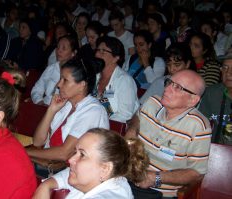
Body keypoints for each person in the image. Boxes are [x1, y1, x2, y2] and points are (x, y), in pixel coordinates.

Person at [125, 70, 212, 198]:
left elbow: (196, 173)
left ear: (193, 100)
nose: (167, 89)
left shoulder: (198, 127)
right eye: (169, 82)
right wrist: (132, 129)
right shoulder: (152, 102)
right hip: (127, 178)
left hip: (159, 192)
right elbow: (136, 117)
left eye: (178, 87)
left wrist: (155, 178)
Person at [26, 58, 109, 178]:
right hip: (51, 166)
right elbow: (38, 141)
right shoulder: (66, 104)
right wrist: (51, 110)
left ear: (82, 85)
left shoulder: (93, 111)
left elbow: (64, 153)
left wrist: (24, 151)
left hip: (75, 173)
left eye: (65, 80)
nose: (58, 84)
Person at [33, 128, 149, 199]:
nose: (71, 160)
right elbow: (67, 174)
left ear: (105, 169)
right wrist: (45, 186)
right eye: (75, 152)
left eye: (82, 155)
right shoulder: (109, 179)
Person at [94, 36, 139, 123]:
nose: (97, 54)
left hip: (116, 131)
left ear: (116, 58)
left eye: (103, 51)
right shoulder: (95, 77)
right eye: (98, 50)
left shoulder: (124, 80)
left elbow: (125, 115)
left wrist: (100, 123)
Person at [31, 34, 78, 105]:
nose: (59, 51)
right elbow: (37, 89)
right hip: (44, 106)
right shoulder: (51, 68)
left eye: (64, 48)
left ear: (73, 53)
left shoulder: (76, 74)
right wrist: (40, 102)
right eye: (58, 47)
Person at [199, 49, 232, 145]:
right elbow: (200, 126)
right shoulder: (211, 93)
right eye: (225, 68)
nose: (228, 72)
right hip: (217, 152)